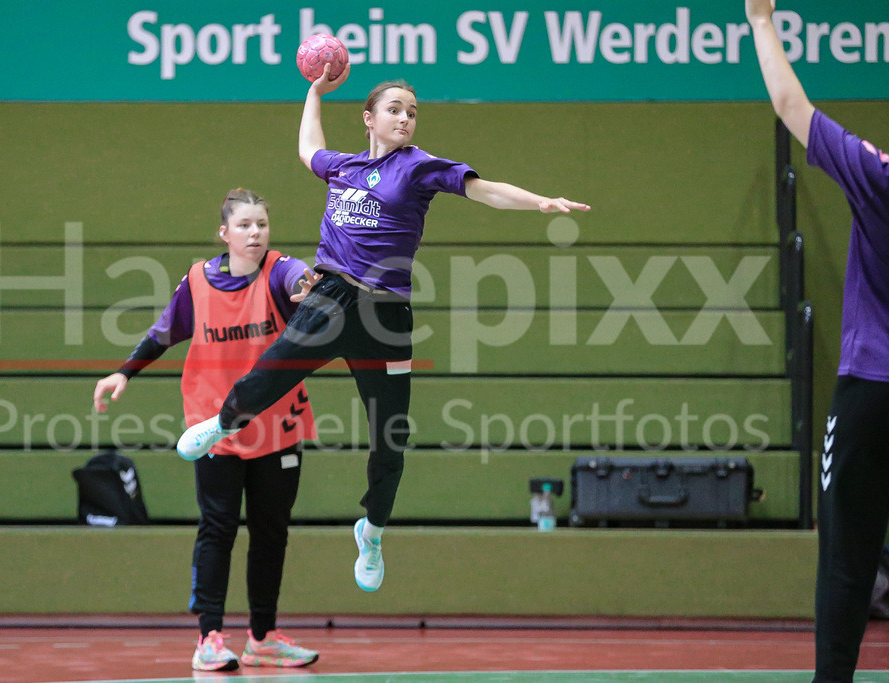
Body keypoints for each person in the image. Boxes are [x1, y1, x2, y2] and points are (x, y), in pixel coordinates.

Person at [177, 63, 591, 593]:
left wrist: (539, 202)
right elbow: (308, 149)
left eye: (412, 112)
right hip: (332, 297)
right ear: (368, 119)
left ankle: (371, 530)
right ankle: (223, 424)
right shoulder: (343, 167)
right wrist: (313, 93)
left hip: (386, 314)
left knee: (390, 437)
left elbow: (484, 190)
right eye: (394, 110)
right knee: (269, 375)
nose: (405, 119)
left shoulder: (419, 168)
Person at [92, 188, 321, 672]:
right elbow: (162, 330)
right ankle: (210, 637)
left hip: (278, 428)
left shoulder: (280, 273)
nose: (254, 232)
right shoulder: (198, 281)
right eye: (244, 225)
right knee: (217, 530)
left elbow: (299, 274)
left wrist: (309, 282)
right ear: (225, 233)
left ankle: (263, 637)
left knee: (271, 533)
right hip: (214, 428)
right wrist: (123, 371)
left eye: (261, 224)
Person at [747, 2, 889, 680]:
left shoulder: (880, 177)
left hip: (870, 393)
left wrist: (759, 21)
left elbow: (787, 100)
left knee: (846, 560)